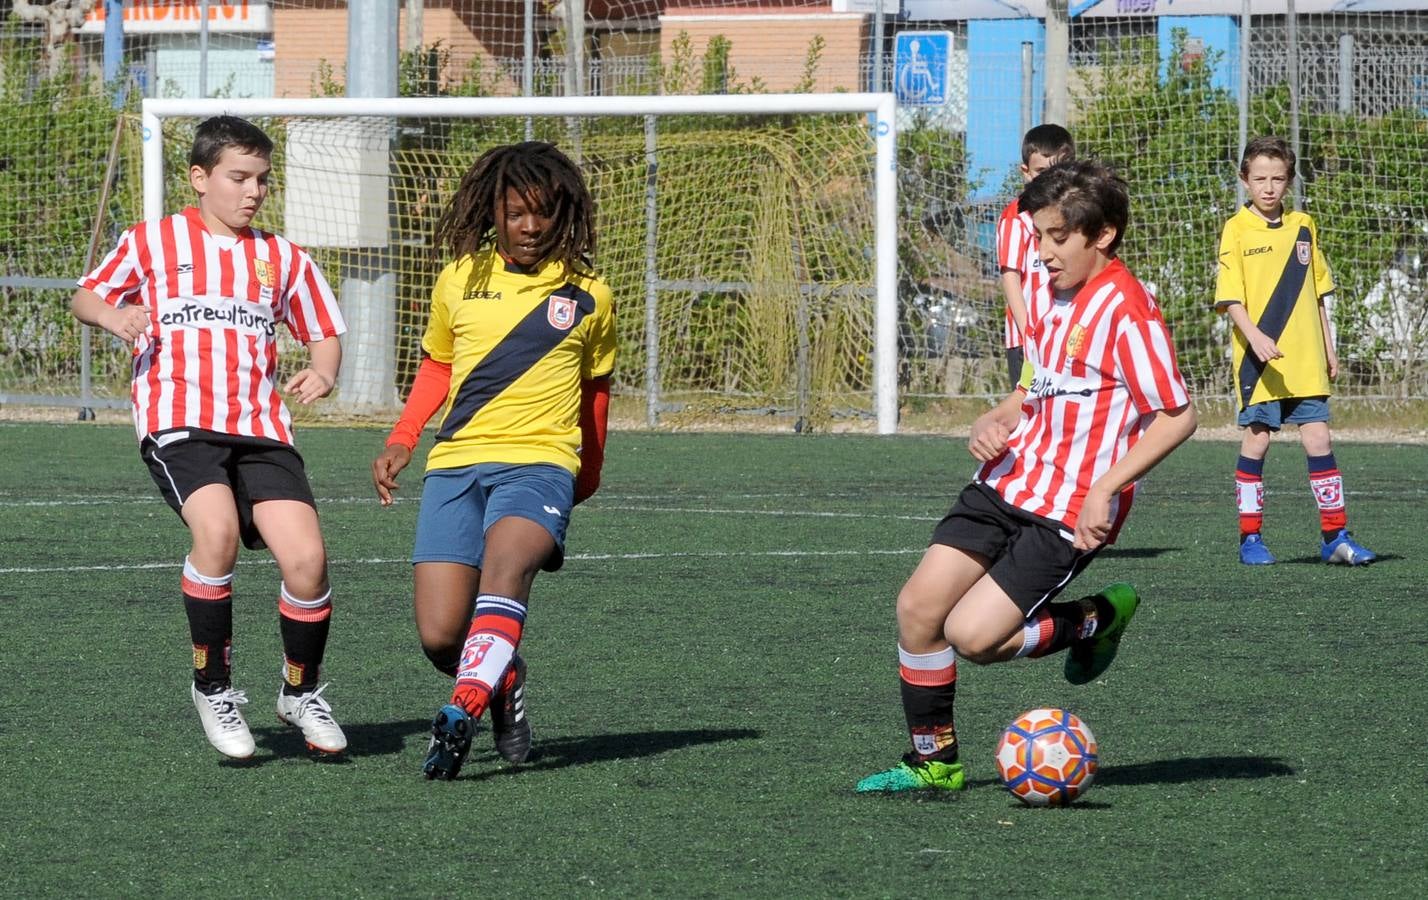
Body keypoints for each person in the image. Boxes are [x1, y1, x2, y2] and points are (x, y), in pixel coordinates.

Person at [857, 161, 1197, 793]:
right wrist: (998, 416)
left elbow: (1178, 417)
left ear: (1103, 235)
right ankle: (934, 763)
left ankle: (1095, 619)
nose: (1042, 252)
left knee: (973, 638)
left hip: (1068, 506)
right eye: (1038, 235)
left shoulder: (1128, 313)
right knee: (918, 609)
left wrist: (1105, 490)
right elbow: (1035, 385)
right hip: (1006, 480)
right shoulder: (1050, 292)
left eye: (1057, 237)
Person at [70, 115, 349, 759]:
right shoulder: (153, 240)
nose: (253, 192)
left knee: (307, 561)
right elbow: (86, 298)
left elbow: (322, 330)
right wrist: (114, 314)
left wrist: (324, 370)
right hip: (179, 421)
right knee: (217, 534)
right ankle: (213, 687)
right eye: (238, 177)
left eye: (262, 180)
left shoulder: (282, 257)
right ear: (200, 178)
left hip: (260, 427)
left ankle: (300, 692)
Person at [371, 141, 616, 781]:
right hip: (457, 466)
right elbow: (438, 364)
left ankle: (462, 711)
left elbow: (596, 391)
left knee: (505, 571)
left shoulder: (589, 293)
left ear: (565, 214)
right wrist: (403, 437)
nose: (529, 226)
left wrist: (586, 473)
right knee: (440, 636)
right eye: (515, 213)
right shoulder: (460, 278)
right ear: (493, 214)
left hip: (539, 465)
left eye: (542, 212)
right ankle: (503, 678)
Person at [1214, 137, 1375, 567]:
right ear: (1244, 180)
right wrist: (1255, 337)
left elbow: (1318, 292)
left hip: (1306, 357)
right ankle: (1250, 538)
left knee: (1319, 437)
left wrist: (1328, 344)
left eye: (1278, 178)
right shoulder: (1236, 229)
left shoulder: (1304, 225)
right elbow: (1230, 297)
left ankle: (1335, 536)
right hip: (1259, 360)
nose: (1268, 187)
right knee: (1257, 441)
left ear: (1289, 180)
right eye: (1259, 179)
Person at [995, 124, 1075, 390]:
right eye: (1041, 171)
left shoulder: (1075, 214)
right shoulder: (1016, 217)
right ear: (1026, 172)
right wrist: (1027, 332)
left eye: (1058, 169)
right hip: (1027, 339)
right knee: (1028, 405)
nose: (1050, 178)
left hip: (1064, 335)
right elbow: (1010, 278)